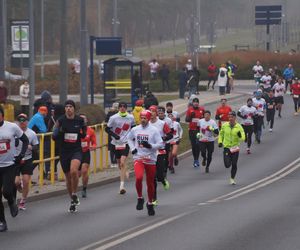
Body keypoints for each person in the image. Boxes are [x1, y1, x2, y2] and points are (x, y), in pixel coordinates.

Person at [52, 100, 87, 213]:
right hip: (64, 152)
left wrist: (84, 128)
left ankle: (74, 193)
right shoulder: (60, 120)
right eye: (66, 106)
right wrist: (60, 131)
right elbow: (54, 136)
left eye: (70, 106)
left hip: (76, 150)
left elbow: (84, 133)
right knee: (68, 178)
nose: (68, 108)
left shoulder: (79, 120)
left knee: (73, 171)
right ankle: (72, 200)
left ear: (74, 108)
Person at [128, 110, 163, 216]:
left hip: (151, 159)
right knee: (138, 177)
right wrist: (133, 148)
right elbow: (129, 139)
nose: (143, 120)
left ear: (148, 119)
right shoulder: (135, 129)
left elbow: (161, 144)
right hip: (138, 157)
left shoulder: (154, 130)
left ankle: (150, 203)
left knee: (150, 183)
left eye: (145, 118)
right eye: (141, 118)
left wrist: (150, 146)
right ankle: (140, 198)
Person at [0, 106, 29, 232]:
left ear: (2, 115)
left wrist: (21, 154)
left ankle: (11, 201)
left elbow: (25, 140)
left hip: (9, 165)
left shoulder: (11, 127)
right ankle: (2, 222)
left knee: (6, 191)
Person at [105, 102, 135, 194]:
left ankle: (121, 186)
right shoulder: (113, 118)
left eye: (124, 107)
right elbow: (107, 129)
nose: (122, 108)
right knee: (119, 164)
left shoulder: (131, 117)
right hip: (115, 143)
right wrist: (114, 135)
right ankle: (126, 170)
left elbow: (133, 127)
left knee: (122, 162)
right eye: (120, 107)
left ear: (126, 108)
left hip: (125, 143)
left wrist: (132, 138)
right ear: (118, 108)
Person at [14, 114, 39, 210]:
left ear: (27, 122)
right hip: (16, 159)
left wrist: (31, 147)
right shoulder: (14, 132)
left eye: (24, 121)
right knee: (16, 182)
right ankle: (18, 186)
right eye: (20, 122)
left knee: (26, 181)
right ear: (17, 123)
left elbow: (36, 146)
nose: (22, 123)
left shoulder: (31, 133)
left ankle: (22, 201)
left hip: (27, 158)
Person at [149, 105, 172, 205]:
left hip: (161, 151)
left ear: (156, 113)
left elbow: (170, 135)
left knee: (159, 175)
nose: (151, 113)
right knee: (152, 177)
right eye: (150, 111)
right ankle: (154, 199)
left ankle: (163, 180)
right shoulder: (146, 124)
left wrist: (162, 139)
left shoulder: (162, 124)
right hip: (150, 153)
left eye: (153, 111)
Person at [218, 111, 245, 185]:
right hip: (227, 147)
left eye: (232, 117)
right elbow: (221, 134)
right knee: (227, 165)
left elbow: (243, 138)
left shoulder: (239, 126)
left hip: (235, 148)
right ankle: (228, 158)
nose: (230, 118)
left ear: (235, 118)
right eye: (229, 117)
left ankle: (232, 179)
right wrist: (220, 142)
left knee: (234, 164)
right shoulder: (224, 125)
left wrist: (240, 136)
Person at [79, 114, 97, 198]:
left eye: (84, 119)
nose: (83, 121)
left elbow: (94, 142)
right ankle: (73, 189)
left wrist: (93, 146)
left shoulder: (90, 131)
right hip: (76, 153)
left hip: (85, 152)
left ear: (86, 121)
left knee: (84, 171)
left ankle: (84, 188)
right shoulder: (75, 129)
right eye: (81, 119)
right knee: (76, 174)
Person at [185, 97, 205, 168]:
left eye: (197, 102)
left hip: (199, 131)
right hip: (192, 130)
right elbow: (186, 120)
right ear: (192, 103)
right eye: (194, 102)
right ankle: (195, 159)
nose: (196, 103)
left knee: (198, 144)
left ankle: (197, 159)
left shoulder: (202, 110)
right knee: (193, 145)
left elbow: (204, 119)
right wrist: (191, 116)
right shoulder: (190, 110)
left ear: (198, 103)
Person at [105, 103, 119, 168]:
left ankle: (112, 162)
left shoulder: (109, 113)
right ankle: (116, 161)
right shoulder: (119, 114)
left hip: (110, 132)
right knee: (117, 146)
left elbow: (106, 121)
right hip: (118, 132)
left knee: (111, 148)